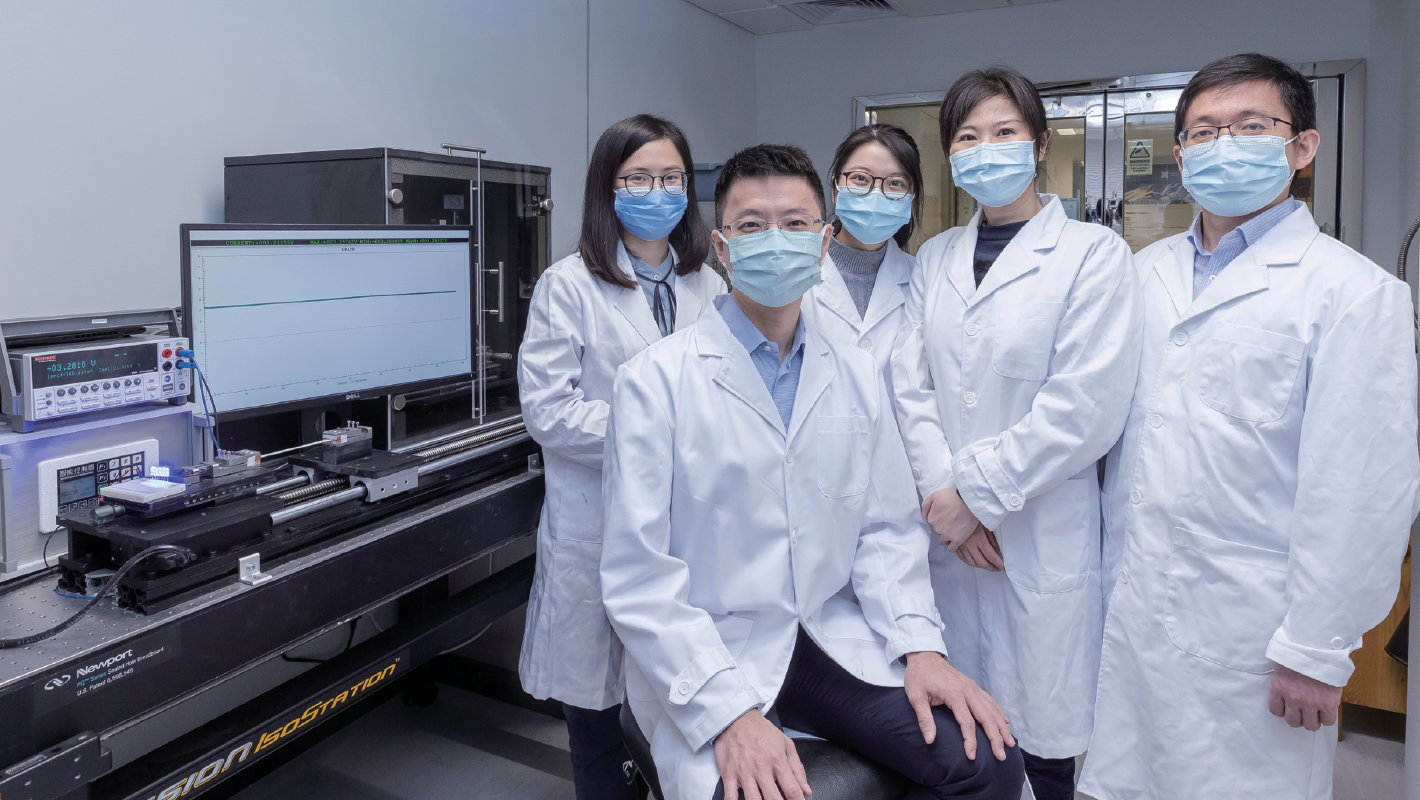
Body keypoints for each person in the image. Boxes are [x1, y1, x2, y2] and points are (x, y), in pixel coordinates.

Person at [600, 143, 1024, 800]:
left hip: (823, 636)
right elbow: (638, 579)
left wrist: (921, 648)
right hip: (715, 650)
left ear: (824, 243)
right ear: (720, 247)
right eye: (751, 225)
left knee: (986, 757)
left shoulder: (854, 370)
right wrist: (729, 716)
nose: (776, 240)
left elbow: (885, 528)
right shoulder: (654, 382)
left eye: (795, 224)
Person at [1077, 53, 1420, 800]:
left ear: (1302, 148)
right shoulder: (1142, 273)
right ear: (1180, 154)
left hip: (1255, 635)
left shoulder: (1356, 295)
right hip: (1129, 613)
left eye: (1251, 126)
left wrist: (1318, 647)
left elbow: (1361, 492)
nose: (1223, 143)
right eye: (1203, 131)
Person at [890, 66, 1141, 800]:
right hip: (948, 538)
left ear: (1038, 145)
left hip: (1038, 533)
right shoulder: (935, 259)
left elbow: (1086, 406)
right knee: (958, 739)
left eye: (1004, 132)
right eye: (968, 137)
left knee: (1042, 749)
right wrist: (946, 498)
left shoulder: (1094, 255)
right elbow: (911, 388)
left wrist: (977, 497)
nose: (986, 149)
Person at [517, 113, 727, 800]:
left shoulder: (710, 285)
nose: (656, 191)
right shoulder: (568, 285)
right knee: (599, 715)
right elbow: (549, 412)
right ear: (608, 190)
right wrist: (656, 429)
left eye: (670, 178)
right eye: (638, 178)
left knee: (683, 707)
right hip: (599, 526)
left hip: (693, 527)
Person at [801, 124, 922, 385]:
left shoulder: (921, 278)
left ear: (910, 199)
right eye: (860, 179)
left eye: (896, 183)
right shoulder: (796, 272)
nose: (876, 194)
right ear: (835, 189)